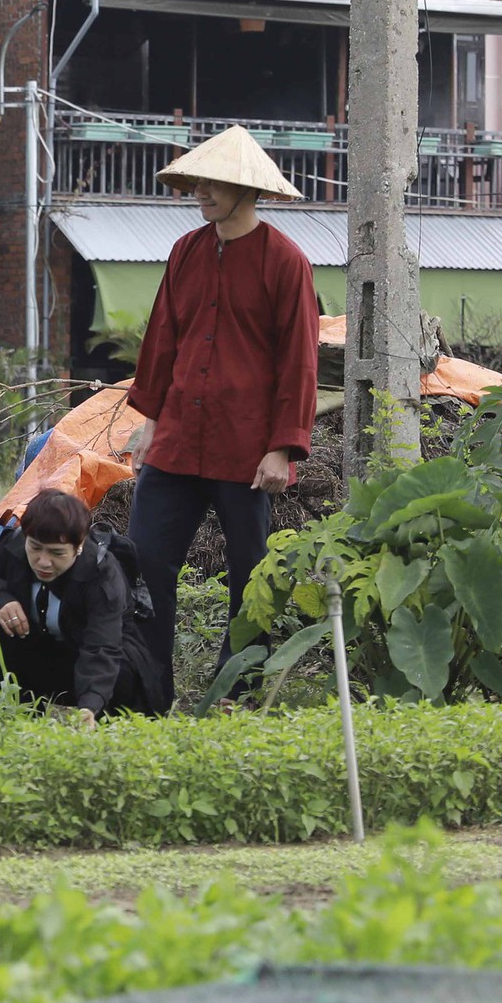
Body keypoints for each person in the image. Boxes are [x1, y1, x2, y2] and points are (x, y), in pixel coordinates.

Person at [126, 125, 319, 704]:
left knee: (249, 580)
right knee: (144, 566)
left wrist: (284, 445)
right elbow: (162, 338)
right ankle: (144, 693)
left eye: (214, 183)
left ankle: (237, 696)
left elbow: (298, 360)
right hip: (179, 439)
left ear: (246, 189)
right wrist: (152, 417)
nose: (201, 192)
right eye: (199, 182)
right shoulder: (185, 250)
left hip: (247, 448)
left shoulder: (287, 262)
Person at [0, 490, 164, 722]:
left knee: (123, 670)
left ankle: (107, 726)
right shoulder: (14, 545)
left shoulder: (102, 574)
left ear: (78, 547)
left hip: (91, 660)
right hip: (37, 649)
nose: (43, 561)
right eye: (35, 548)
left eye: (57, 553)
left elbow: (102, 646)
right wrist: (0, 598)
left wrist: (90, 704)